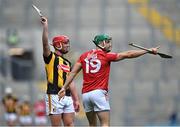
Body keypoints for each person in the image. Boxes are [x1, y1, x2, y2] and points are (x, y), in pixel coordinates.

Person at [58, 34, 160, 126]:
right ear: (101, 43)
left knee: (92, 125)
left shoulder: (83, 56)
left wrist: (64, 87)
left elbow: (72, 73)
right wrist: (147, 51)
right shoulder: (106, 56)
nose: (110, 44)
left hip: (86, 95)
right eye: (107, 42)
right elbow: (128, 54)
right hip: (99, 93)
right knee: (105, 124)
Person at [40, 16, 80, 126]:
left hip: (67, 96)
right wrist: (45, 26)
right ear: (58, 45)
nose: (67, 45)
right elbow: (45, 44)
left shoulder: (67, 63)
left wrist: (76, 99)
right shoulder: (50, 57)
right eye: (65, 43)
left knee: (70, 125)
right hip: (54, 95)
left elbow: (71, 82)